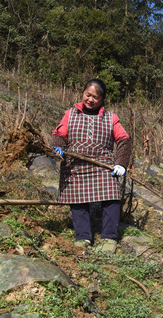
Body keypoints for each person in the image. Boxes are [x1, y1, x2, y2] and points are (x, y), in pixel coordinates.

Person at [50, 79, 131, 254]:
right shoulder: (70, 114)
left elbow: (123, 139)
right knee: (78, 201)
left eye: (95, 97)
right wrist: (58, 147)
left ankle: (109, 237)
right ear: (83, 93)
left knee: (111, 197)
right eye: (88, 95)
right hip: (75, 165)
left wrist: (121, 163)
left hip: (103, 164)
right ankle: (83, 237)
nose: (90, 99)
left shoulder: (111, 118)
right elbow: (60, 135)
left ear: (102, 99)